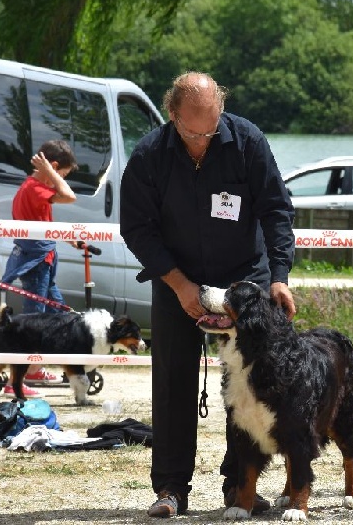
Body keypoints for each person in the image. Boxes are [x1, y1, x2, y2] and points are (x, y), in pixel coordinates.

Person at [120, 71, 297, 518]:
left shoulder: (248, 142)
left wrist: (279, 275)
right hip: (177, 279)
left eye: (210, 129)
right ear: (172, 115)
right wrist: (179, 285)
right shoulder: (149, 156)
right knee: (173, 381)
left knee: (248, 386)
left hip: (243, 281)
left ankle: (240, 485)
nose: (202, 140)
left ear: (221, 110)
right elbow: (136, 228)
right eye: (192, 131)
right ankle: (171, 490)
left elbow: (276, 208)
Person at [0, 140, 78, 397]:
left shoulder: (35, 189)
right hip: (37, 265)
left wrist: (69, 237)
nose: (60, 179)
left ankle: (34, 369)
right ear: (53, 167)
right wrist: (54, 174)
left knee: (58, 313)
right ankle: (15, 381)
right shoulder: (34, 188)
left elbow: (41, 224)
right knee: (33, 322)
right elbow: (69, 195)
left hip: (45, 261)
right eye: (61, 173)